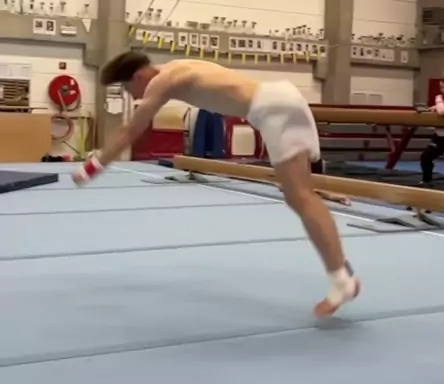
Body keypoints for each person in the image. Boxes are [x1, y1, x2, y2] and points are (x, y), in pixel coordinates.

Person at [73, 53, 361, 317]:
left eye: (127, 89)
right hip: (282, 96)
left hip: (271, 109)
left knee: (299, 197)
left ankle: (342, 280)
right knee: (300, 195)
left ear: (137, 76)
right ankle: (342, 272)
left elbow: (129, 132)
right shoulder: (177, 66)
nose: (132, 96)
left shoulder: (162, 81)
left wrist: (92, 167)